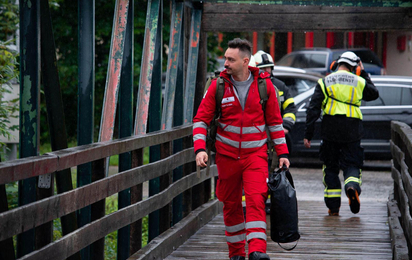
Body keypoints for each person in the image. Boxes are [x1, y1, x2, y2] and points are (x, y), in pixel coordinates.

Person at [193, 38, 290, 260]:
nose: (225, 63)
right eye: (226, 58)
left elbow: (275, 123)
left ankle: (257, 251)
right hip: (227, 157)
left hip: (255, 156)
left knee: (256, 200)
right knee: (231, 204)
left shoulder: (265, 86)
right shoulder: (217, 86)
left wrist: (283, 153)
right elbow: (200, 120)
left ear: (245, 61)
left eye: (230, 59)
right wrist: (200, 149)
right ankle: (236, 254)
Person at [303, 51, 379, 216]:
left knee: (330, 167)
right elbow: (374, 93)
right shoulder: (359, 81)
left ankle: (334, 207)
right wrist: (363, 72)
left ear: (336, 65)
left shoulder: (324, 82)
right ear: (354, 67)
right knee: (352, 165)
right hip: (352, 130)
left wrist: (308, 134)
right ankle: (351, 187)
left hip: (330, 130)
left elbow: (313, 109)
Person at [253, 51, 297, 137]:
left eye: (268, 68)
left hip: (277, 133)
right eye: (262, 68)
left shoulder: (280, 86)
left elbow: (290, 108)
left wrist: (286, 126)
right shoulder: (251, 86)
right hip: (256, 134)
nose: (266, 71)